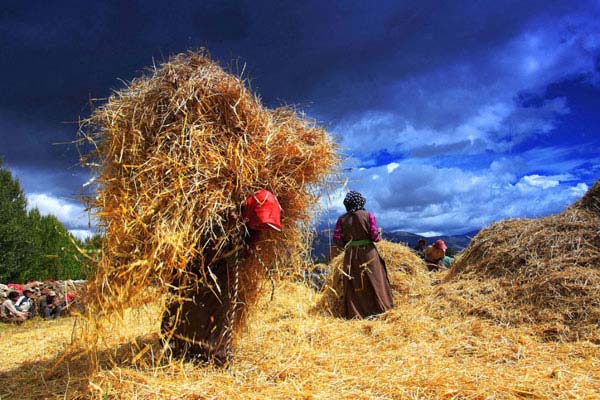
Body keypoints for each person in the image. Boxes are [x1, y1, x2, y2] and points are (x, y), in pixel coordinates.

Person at [161, 189, 282, 366]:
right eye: (259, 223)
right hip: (196, 268)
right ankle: (179, 348)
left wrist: (241, 251)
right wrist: (230, 241)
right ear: (249, 212)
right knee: (190, 306)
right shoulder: (219, 216)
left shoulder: (250, 227)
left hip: (223, 273)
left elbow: (246, 248)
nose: (260, 228)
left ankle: (216, 355)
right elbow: (200, 248)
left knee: (220, 311)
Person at [333, 191, 393, 319]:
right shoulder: (368, 215)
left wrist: (349, 245)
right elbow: (375, 237)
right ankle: (380, 309)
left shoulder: (342, 219)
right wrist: (379, 235)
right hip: (368, 254)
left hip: (350, 256)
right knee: (375, 280)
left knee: (355, 283)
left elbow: (337, 238)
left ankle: (355, 313)